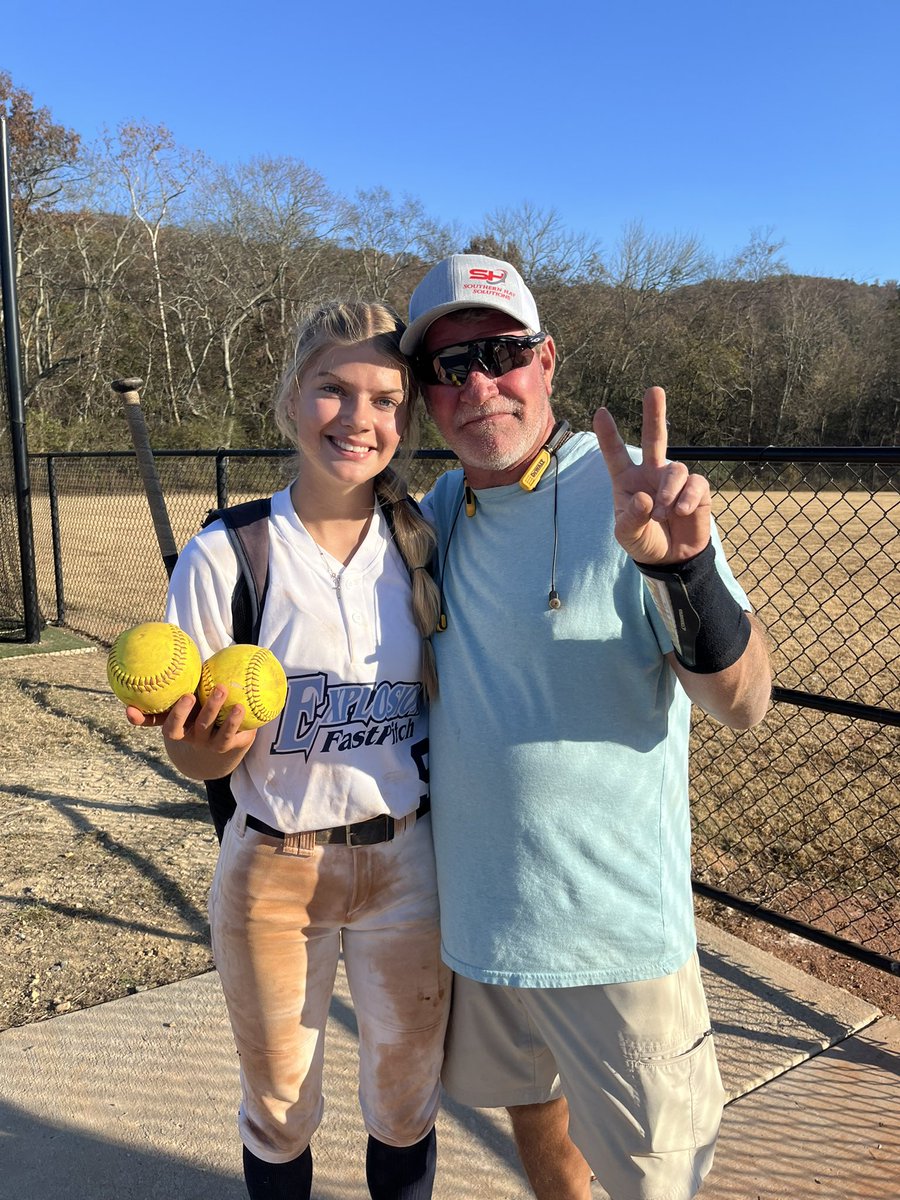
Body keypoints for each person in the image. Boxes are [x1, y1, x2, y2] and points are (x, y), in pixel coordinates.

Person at [399, 254, 773, 1200]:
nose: (479, 383)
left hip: (616, 936)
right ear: (427, 400)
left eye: (501, 352)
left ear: (547, 359)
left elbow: (745, 701)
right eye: (450, 367)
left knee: (657, 1180)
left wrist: (683, 573)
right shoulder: (441, 514)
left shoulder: (628, 501)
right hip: (483, 928)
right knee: (540, 1130)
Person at [126, 301, 451, 1200]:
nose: (359, 418)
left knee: (405, 1100)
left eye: (386, 400)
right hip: (274, 867)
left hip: (408, 863)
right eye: (333, 391)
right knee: (278, 1108)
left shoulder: (428, 544)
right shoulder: (229, 554)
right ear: (289, 401)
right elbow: (201, 766)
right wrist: (202, 745)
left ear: (406, 419)